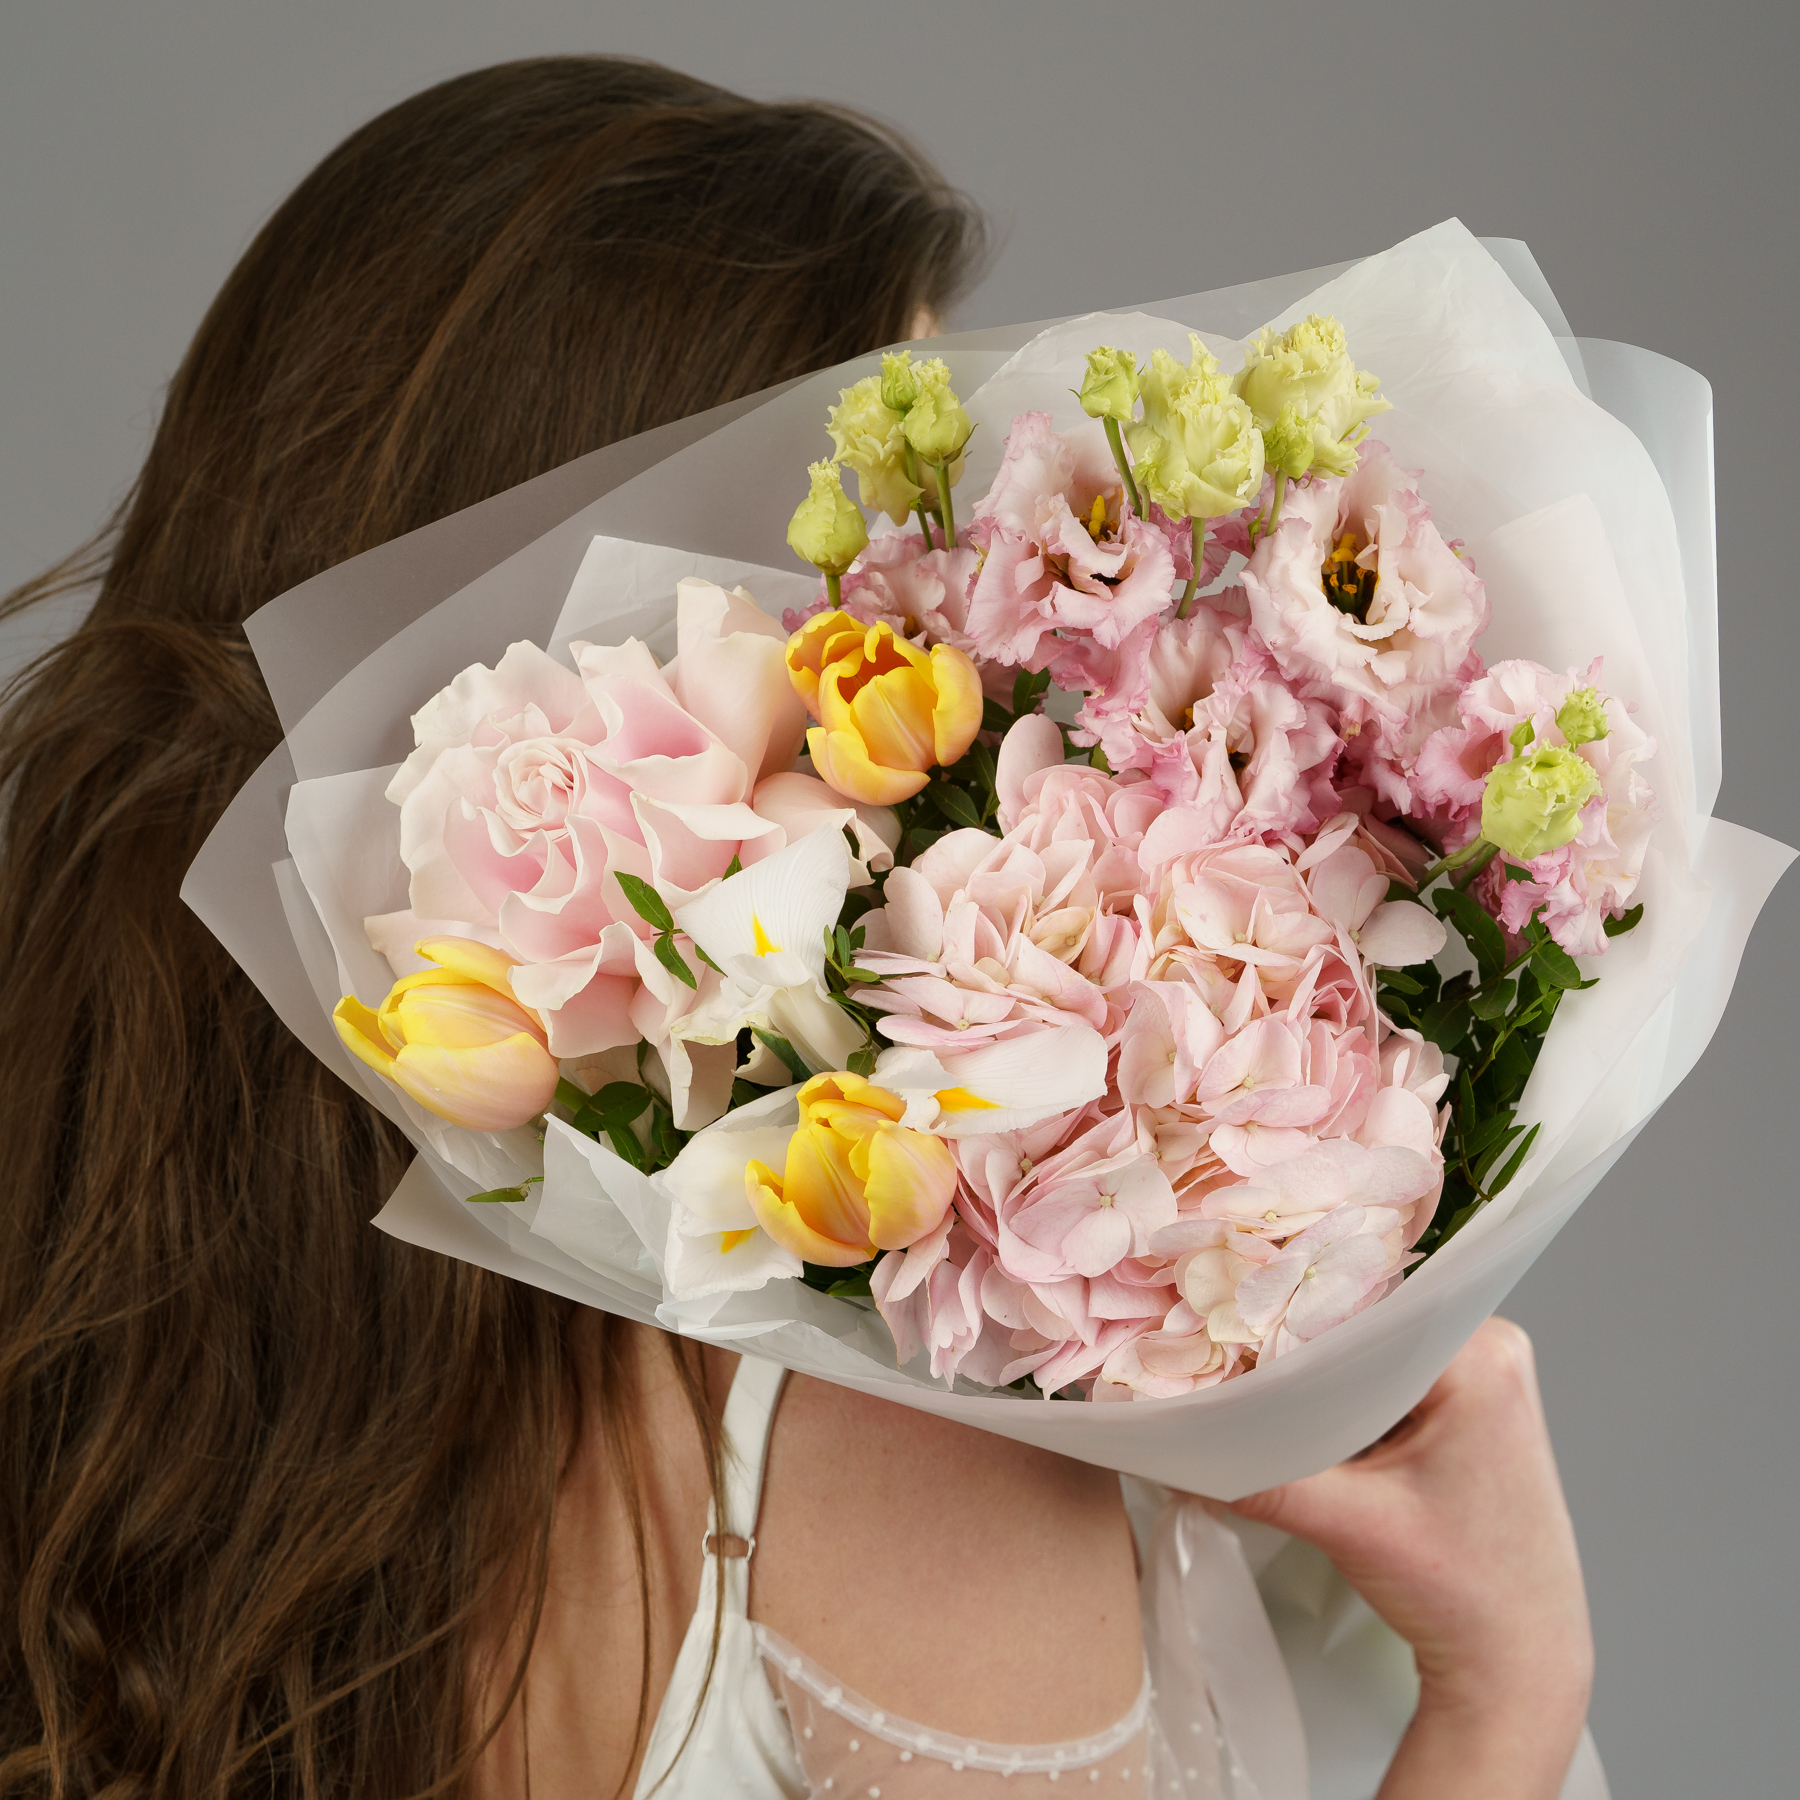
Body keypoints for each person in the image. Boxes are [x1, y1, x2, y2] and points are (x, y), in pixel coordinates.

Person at [0, 56, 1593, 1800]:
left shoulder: (105, 1292)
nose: (963, 648)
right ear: (626, 641)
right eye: (880, 560)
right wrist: (1506, 1686)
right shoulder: (892, 1433)